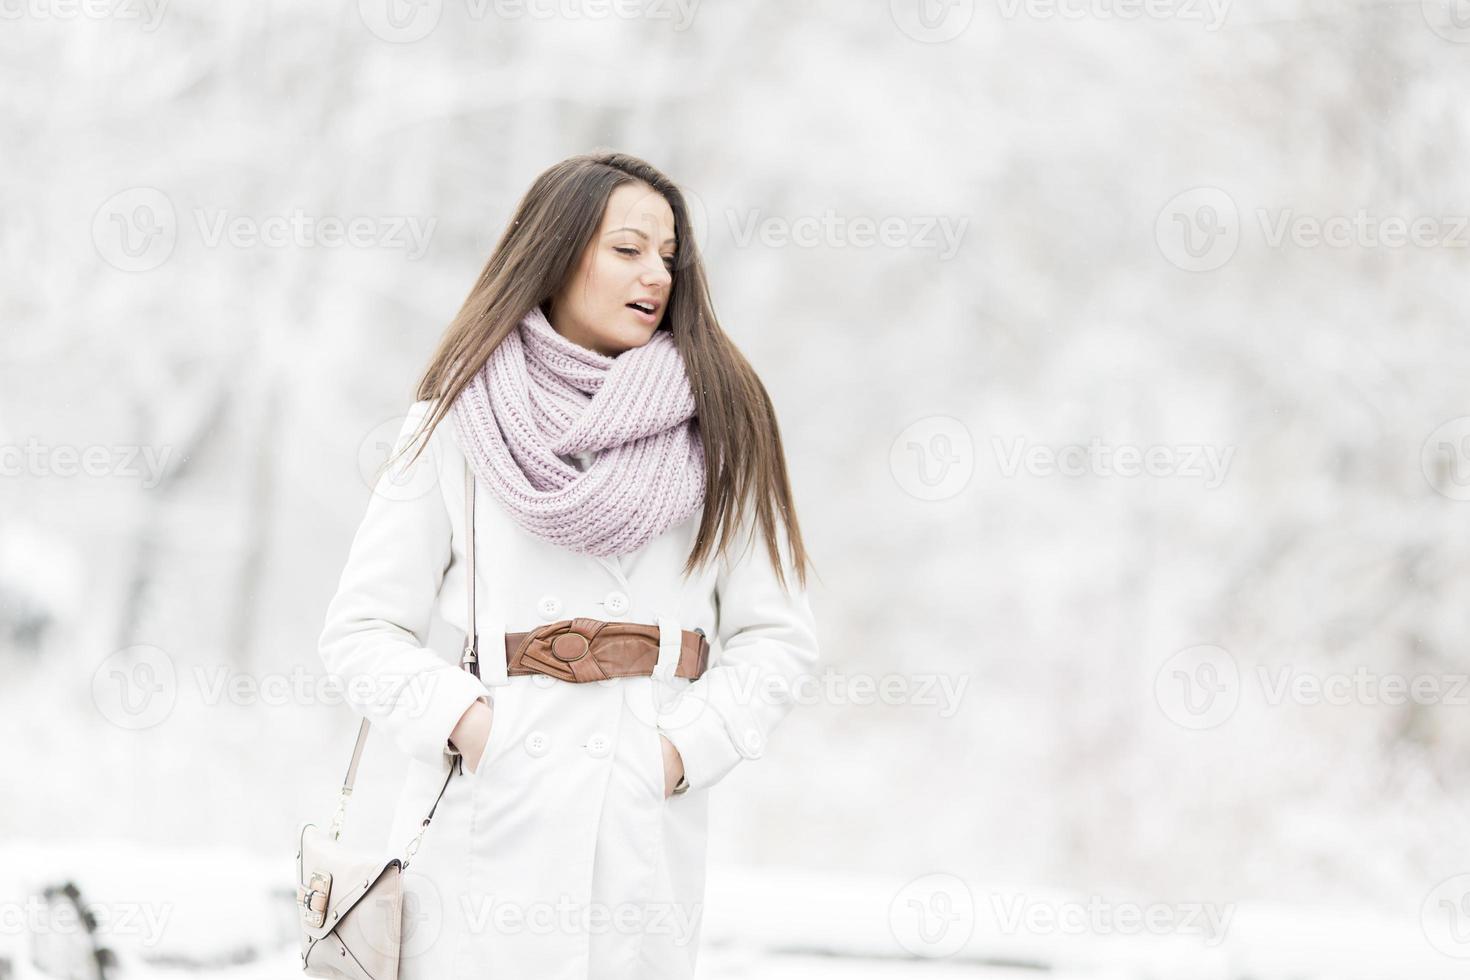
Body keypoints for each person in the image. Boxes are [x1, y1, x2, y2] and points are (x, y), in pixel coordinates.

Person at [316, 151, 821, 979]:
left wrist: (680, 752)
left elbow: (777, 639)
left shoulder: (724, 422)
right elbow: (362, 629)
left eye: (667, 254)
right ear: (556, 251)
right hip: (484, 824)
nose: (654, 272)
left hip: (641, 827)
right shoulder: (456, 416)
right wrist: (475, 728)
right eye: (627, 248)